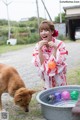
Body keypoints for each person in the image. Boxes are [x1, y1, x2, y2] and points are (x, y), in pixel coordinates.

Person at [32, 20, 68, 89]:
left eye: (46, 30)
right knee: (49, 98)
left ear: (52, 31)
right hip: (47, 81)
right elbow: (41, 65)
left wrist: (55, 48)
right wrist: (39, 49)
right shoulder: (38, 45)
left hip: (59, 78)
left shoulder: (60, 44)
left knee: (62, 97)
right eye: (41, 31)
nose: (43, 33)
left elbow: (55, 65)